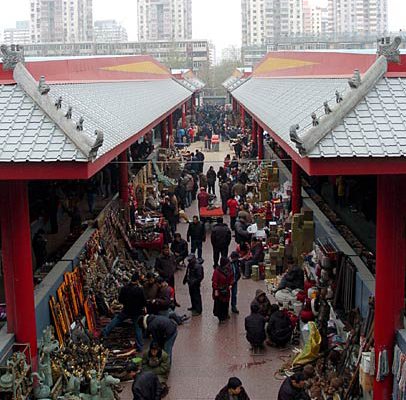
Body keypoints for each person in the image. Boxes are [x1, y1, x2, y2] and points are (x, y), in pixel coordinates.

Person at [103, 273, 146, 352]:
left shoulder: (124, 288)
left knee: (117, 320)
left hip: (126, 309)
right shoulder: (140, 290)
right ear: (137, 280)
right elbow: (144, 302)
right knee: (138, 328)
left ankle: (105, 331)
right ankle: (140, 346)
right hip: (136, 311)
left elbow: (120, 300)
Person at [212, 257, 234, 323]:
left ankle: (225, 314)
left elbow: (231, 277)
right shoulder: (217, 271)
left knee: (226, 303)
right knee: (220, 304)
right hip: (219, 290)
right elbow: (214, 282)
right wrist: (216, 290)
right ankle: (221, 317)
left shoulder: (229, 270)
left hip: (226, 289)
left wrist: (231, 284)